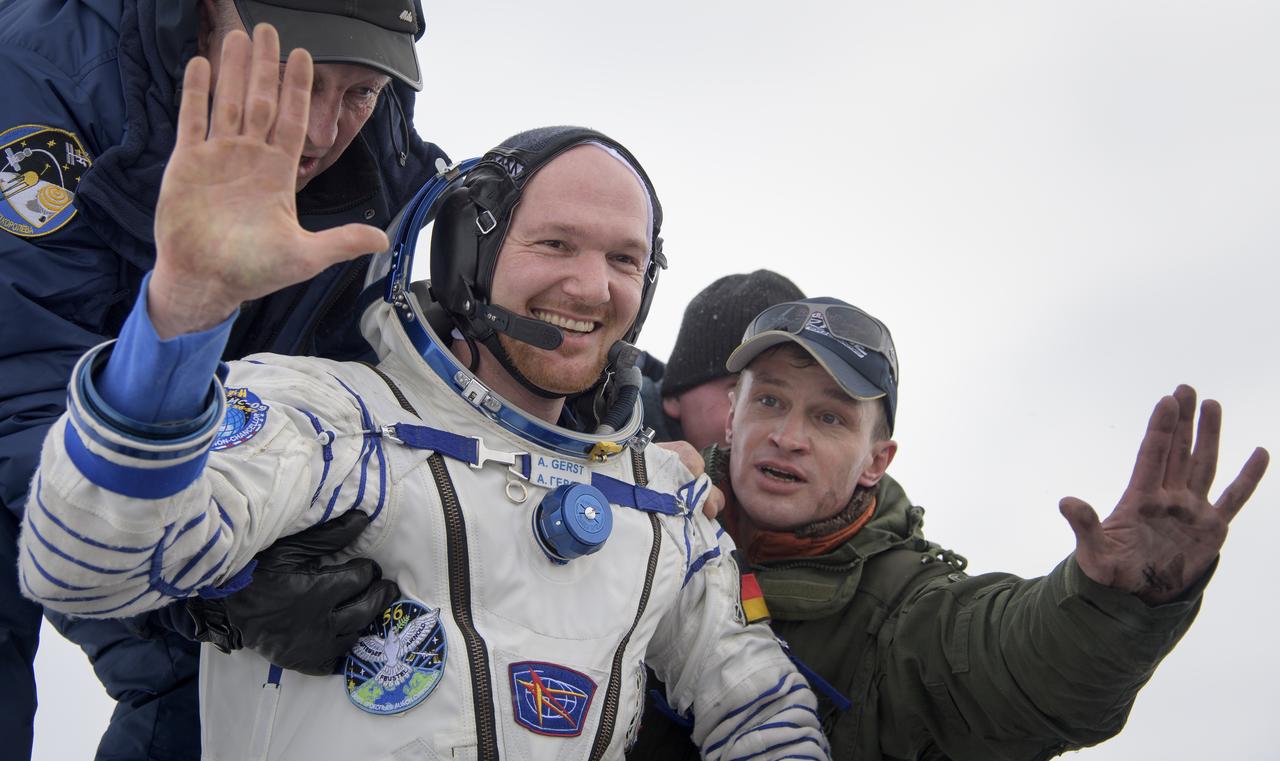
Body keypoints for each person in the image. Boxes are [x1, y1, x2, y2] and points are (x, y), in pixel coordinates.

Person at [17, 26, 830, 761]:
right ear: (466, 260)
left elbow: (764, 712)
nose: (589, 286)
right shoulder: (331, 422)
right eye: (555, 243)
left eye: (624, 260)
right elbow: (83, 565)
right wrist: (183, 314)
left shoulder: (661, 505)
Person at [0, 1, 445, 758]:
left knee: (209, 686)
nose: (320, 132)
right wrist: (218, 581)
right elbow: (20, 379)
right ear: (214, 12)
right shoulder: (41, 81)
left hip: (173, 444)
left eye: (358, 91)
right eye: (296, 78)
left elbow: (356, 382)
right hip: (36, 415)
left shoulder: (381, 157)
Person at [631, 297, 1269, 760]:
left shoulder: (912, 612)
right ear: (732, 416)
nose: (788, 436)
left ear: (875, 462)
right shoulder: (639, 516)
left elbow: (1020, 662)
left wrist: (1118, 600)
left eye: (830, 419)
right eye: (770, 401)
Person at [640, 270, 804, 449]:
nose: (790, 437)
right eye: (740, 392)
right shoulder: (610, 450)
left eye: (822, 415)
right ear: (674, 397)